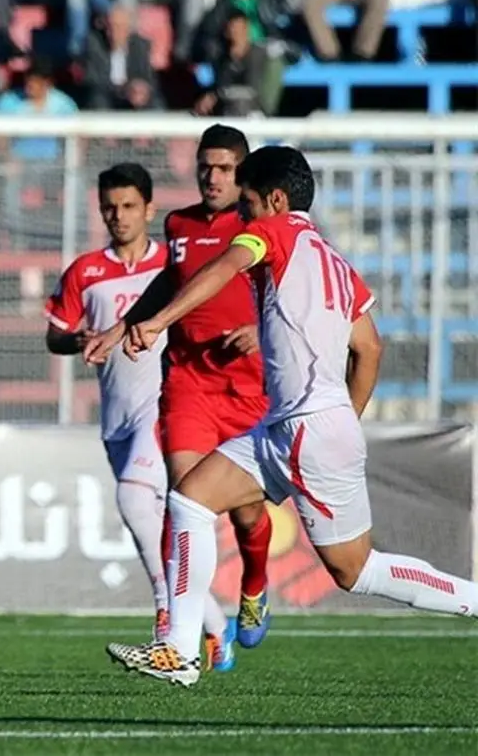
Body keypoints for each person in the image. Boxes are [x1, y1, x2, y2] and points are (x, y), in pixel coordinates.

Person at [105, 146, 478, 685]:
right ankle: (181, 651)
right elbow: (370, 348)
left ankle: (182, 649)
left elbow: (228, 265)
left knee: (357, 570)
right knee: (190, 499)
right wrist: (341, 420)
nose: (244, 217)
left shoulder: (275, 232)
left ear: (275, 201)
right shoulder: (336, 261)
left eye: (249, 204)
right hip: (304, 426)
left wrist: (160, 319)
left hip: (303, 429)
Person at [85, 125, 274, 662]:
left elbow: (297, 293)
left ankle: (255, 587)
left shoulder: (261, 227)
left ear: (243, 173)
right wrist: (120, 329)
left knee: (245, 516)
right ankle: (177, 639)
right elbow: (170, 283)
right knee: (185, 500)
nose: (212, 178)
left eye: (224, 169)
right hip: (189, 383)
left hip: (248, 387)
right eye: (205, 167)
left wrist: (261, 330)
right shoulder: (181, 223)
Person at [45, 163, 179, 642]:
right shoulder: (86, 270)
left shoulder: (172, 265)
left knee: (134, 498)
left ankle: (167, 613)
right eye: (110, 207)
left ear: (149, 209)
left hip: (164, 405)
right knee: (165, 521)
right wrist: (77, 338)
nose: (118, 216)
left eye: (128, 206)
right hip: (116, 417)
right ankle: (211, 627)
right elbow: (55, 337)